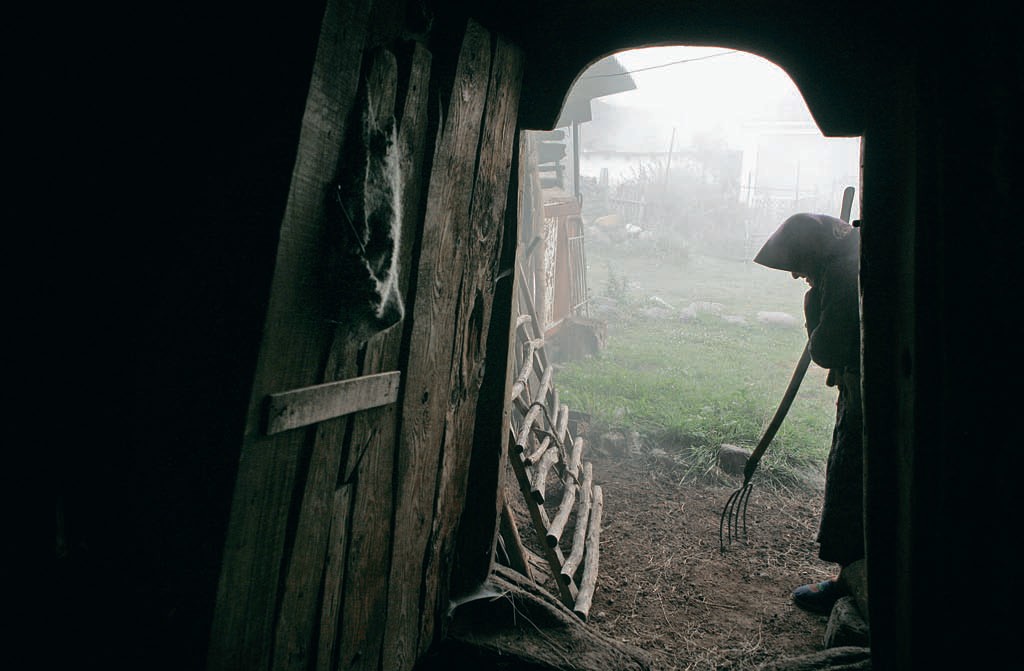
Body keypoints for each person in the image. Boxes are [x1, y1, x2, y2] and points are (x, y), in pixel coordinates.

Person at [753, 212, 863, 615]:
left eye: (798, 264)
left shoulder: (842, 274)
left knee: (851, 481)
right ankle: (853, 577)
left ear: (813, 253)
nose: (796, 274)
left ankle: (851, 580)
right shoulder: (845, 259)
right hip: (859, 391)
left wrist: (812, 305)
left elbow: (827, 349)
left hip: (864, 400)